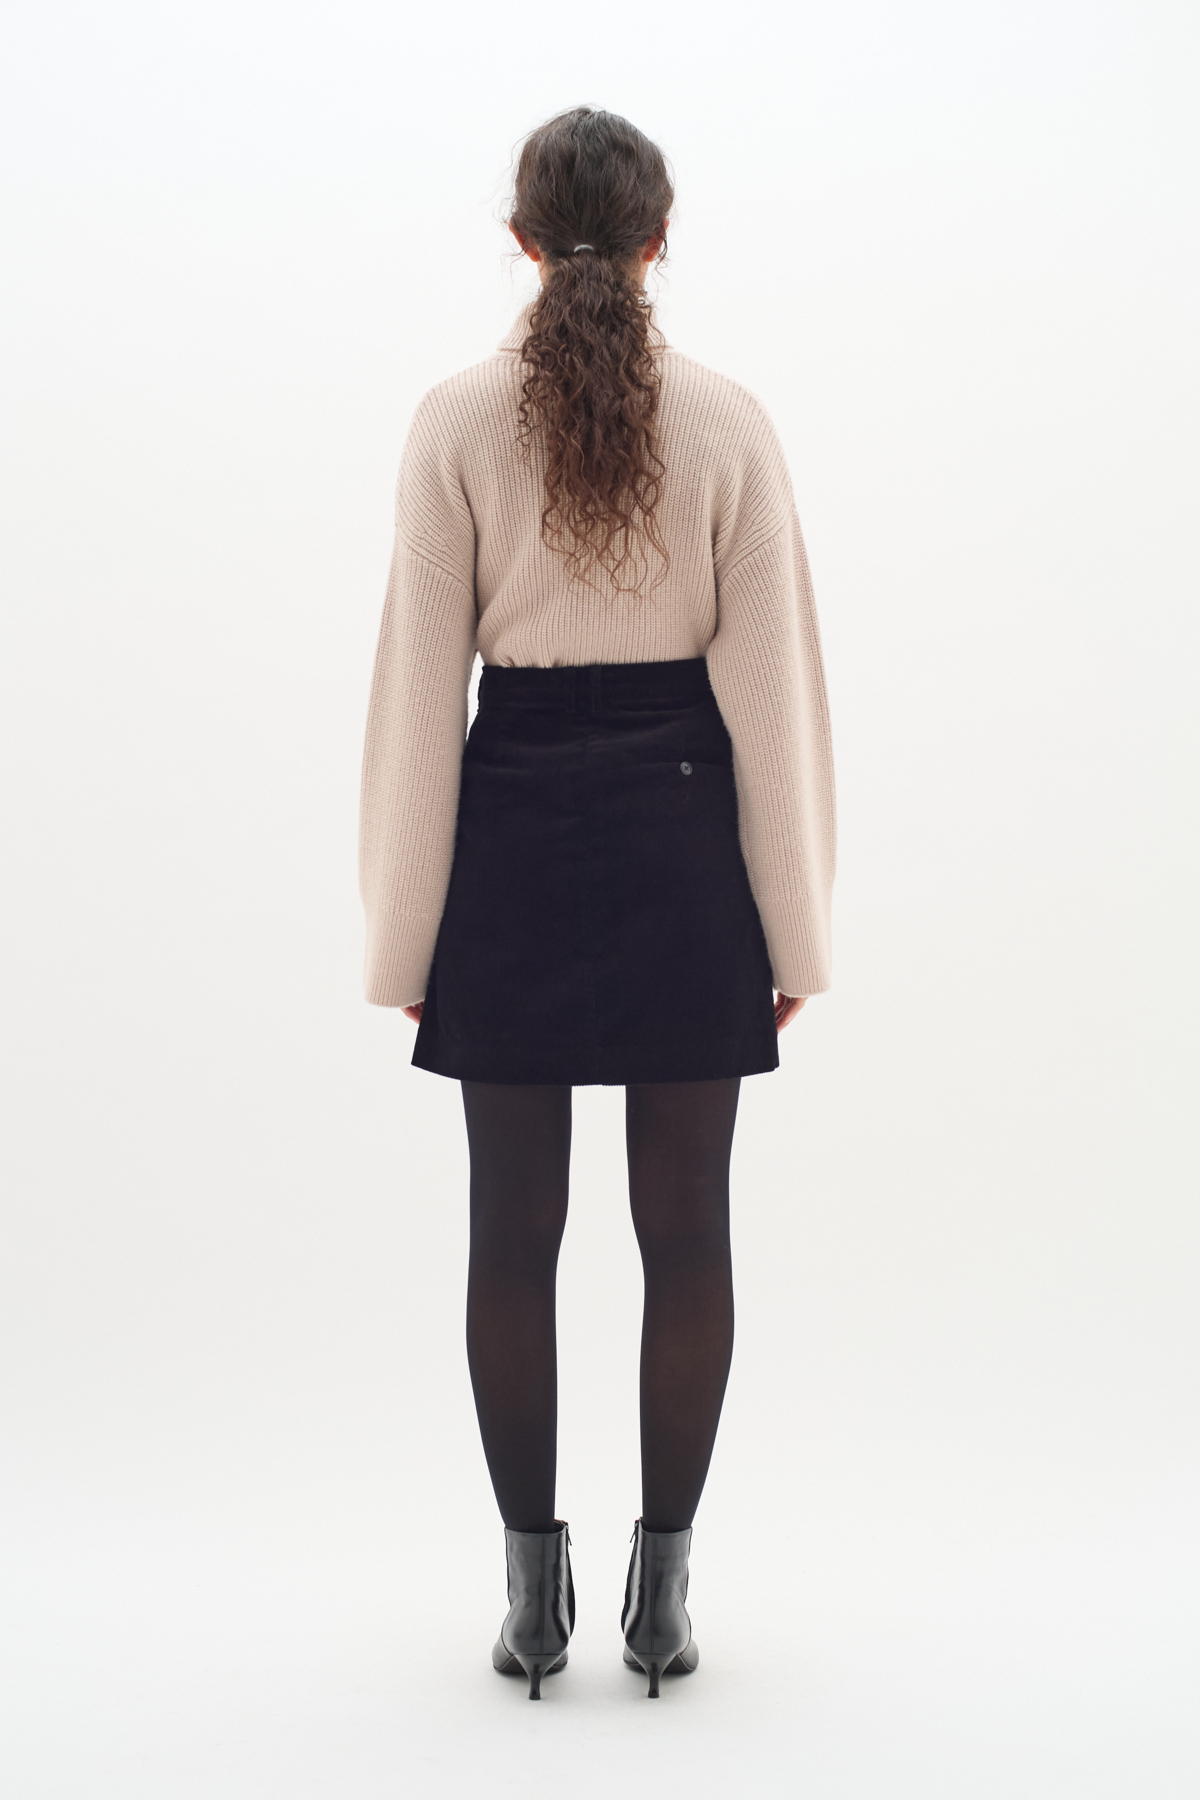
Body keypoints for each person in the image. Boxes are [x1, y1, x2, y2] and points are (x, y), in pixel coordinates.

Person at [359, 106, 835, 1699]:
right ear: (658, 239)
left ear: (518, 238)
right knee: (687, 1228)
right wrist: (792, 926)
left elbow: (420, 698)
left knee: (511, 1231)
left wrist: (409, 927)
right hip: (687, 839)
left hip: (509, 834)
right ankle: (664, 1600)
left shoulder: (452, 419)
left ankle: (531, 1603)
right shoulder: (730, 421)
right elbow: (768, 702)